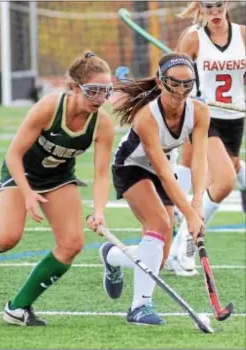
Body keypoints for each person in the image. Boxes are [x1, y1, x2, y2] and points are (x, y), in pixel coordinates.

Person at [0, 51, 115, 326]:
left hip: (58, 178)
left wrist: (99, 211)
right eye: (93, 91)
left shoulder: (102, 123)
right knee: (7, 238)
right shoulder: (49, 107)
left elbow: (101, 174)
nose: (100, 99)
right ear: (74, 87)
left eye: (106, 91)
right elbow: (13, 154)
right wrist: (27, 194)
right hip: (21, 173)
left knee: (72, 244)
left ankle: (18, 308)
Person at [91, 52, 209, 326]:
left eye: (187, 84)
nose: (181, 91)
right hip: (132, 166)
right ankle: (139, 308)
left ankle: (112, 255)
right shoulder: (147, 117)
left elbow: (201, 160)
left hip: (165, 167)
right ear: (160, 82)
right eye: (174, 83)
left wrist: (198, 204)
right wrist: (189, 214)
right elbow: (166, 176)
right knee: (159, 225)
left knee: (160, 255)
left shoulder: (200, 112)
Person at [167, 0, 246, 276]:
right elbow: (172, 78)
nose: (214, 11)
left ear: (227, 4)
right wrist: (186, 94)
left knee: (229, 171)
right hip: (204, 117)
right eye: (208, 5)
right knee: (223, 182)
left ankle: (177, 213)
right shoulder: (193, 38)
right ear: (200, 7)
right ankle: (186, 243)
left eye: (219, 4)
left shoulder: (243, 34)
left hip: (235, 119)